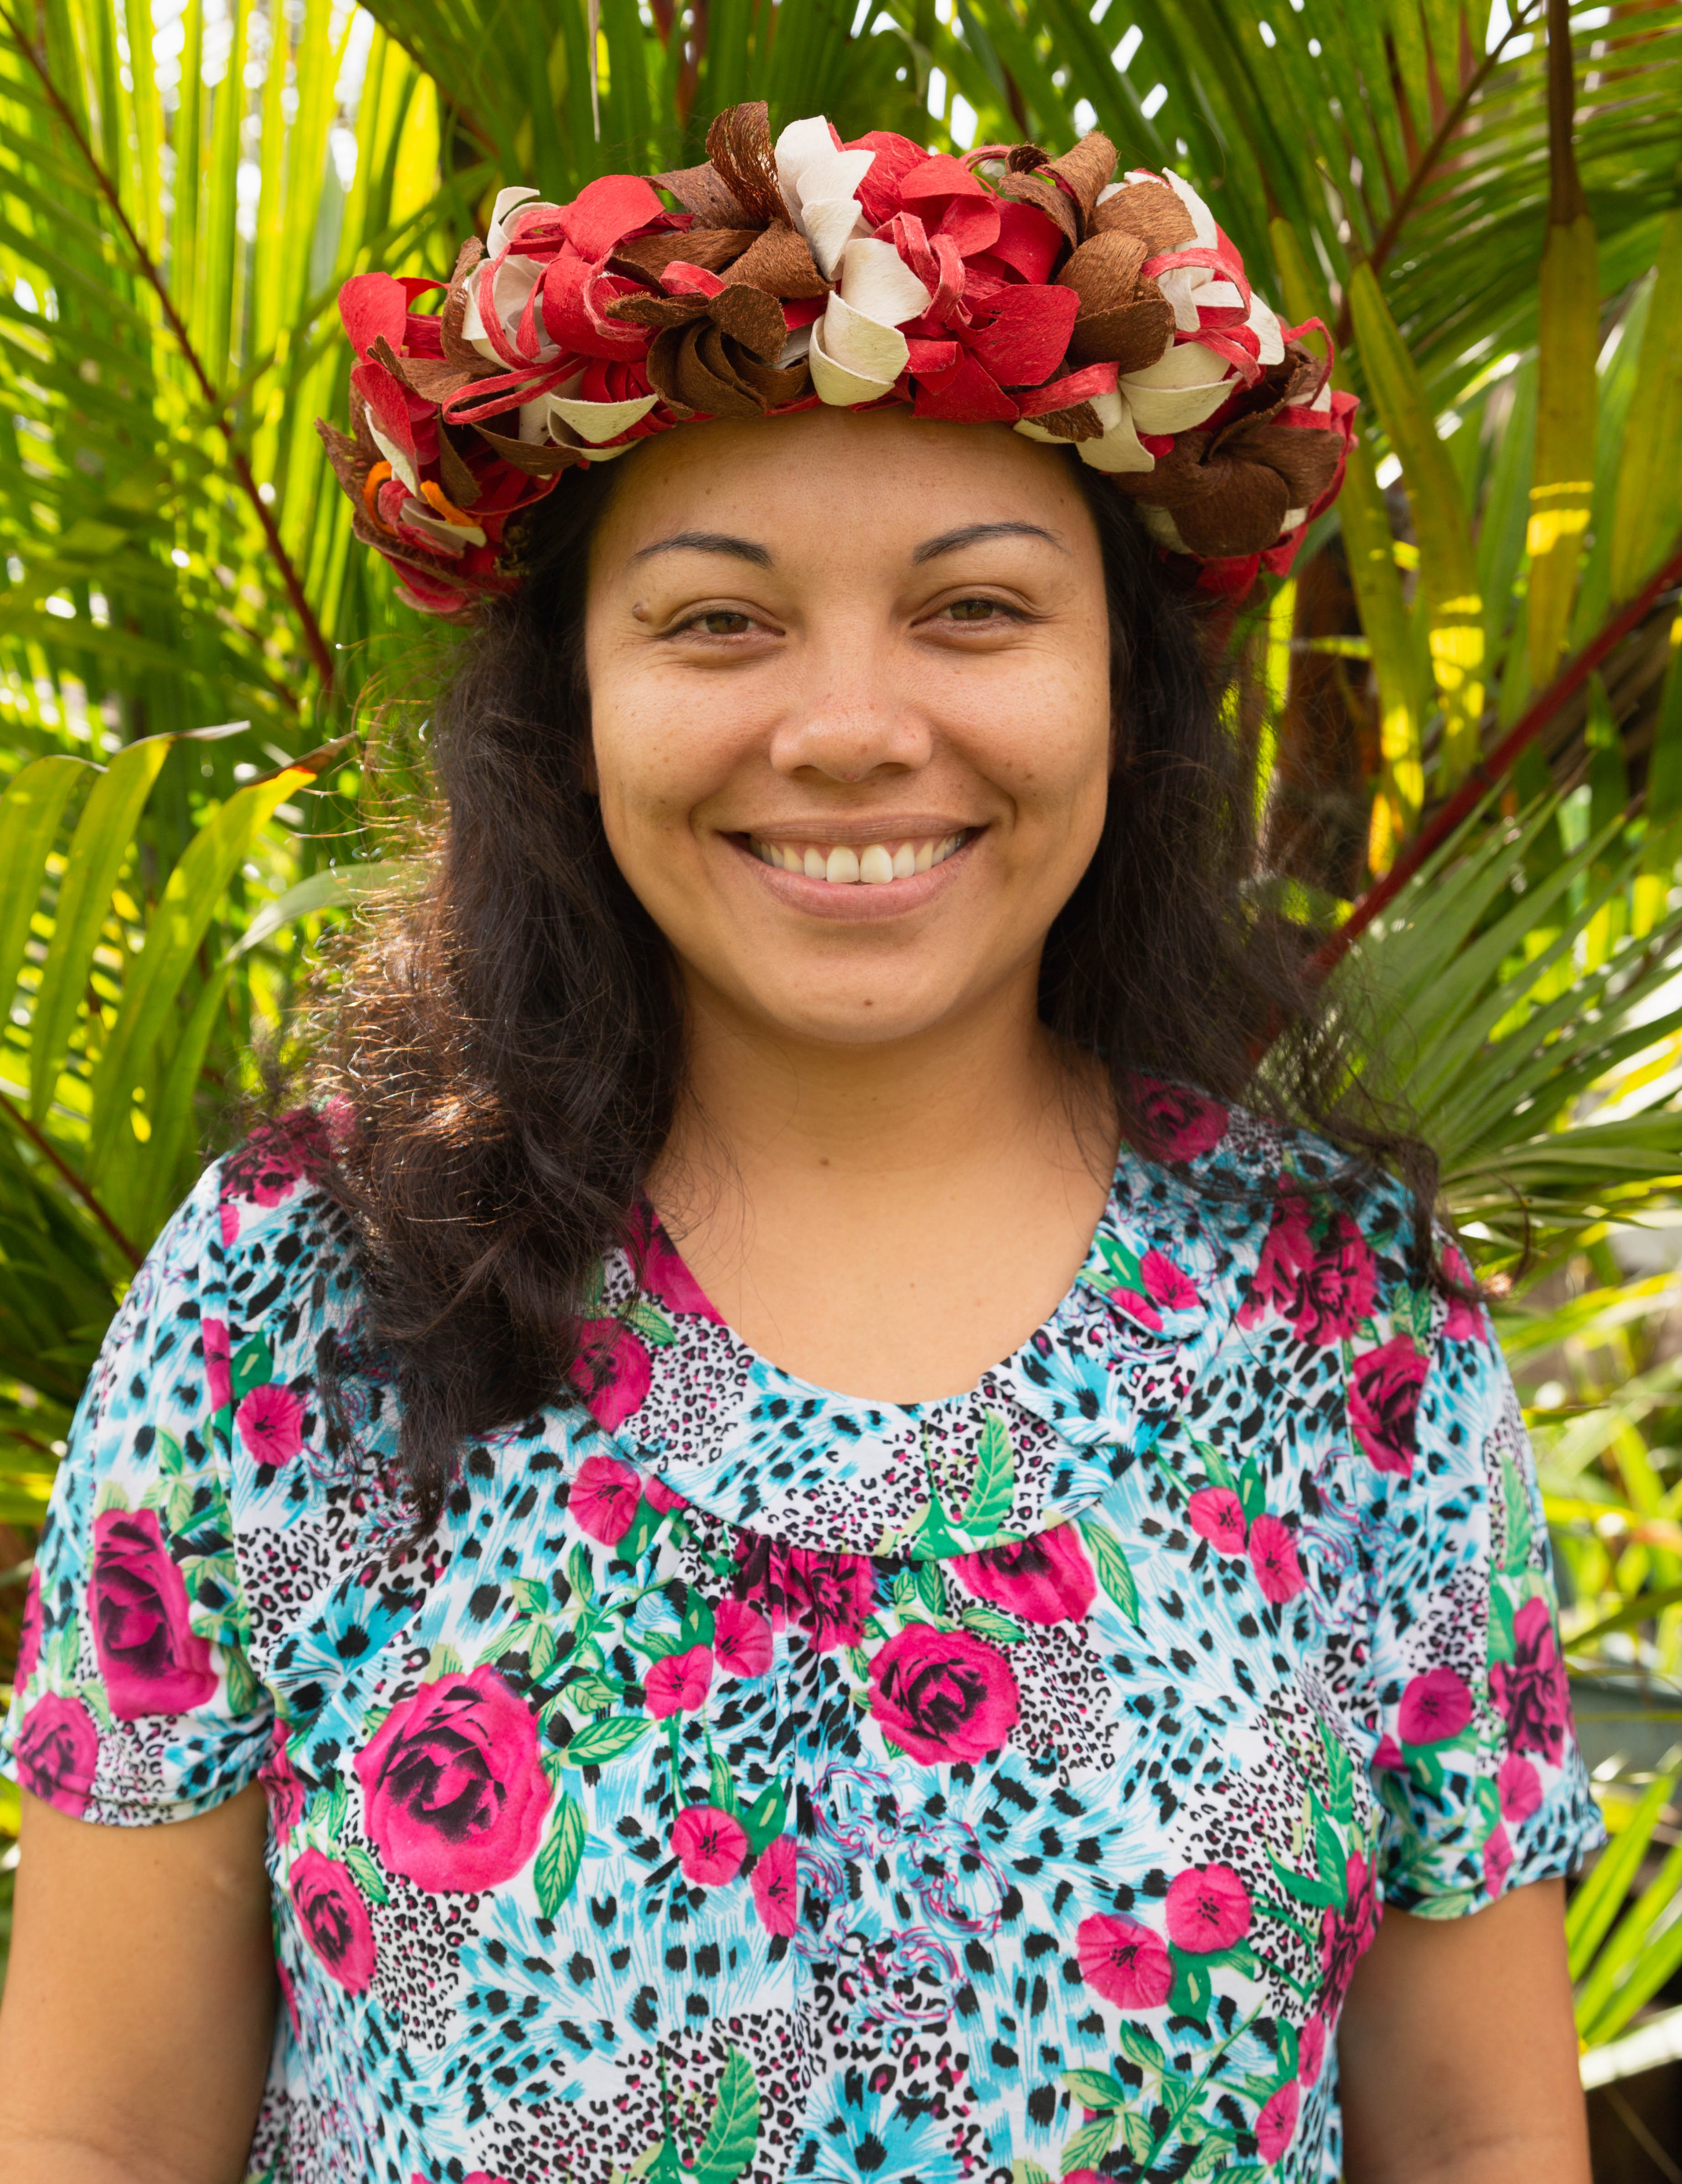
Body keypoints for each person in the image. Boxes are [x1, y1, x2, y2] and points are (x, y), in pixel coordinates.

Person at [0, 106, 1598, 2184]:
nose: (847, 723)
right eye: (718, 620)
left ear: (1124, 684)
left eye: (971, 611)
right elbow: (103, 2132)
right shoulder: (292, 1298)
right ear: (566, 705)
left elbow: (1479, 2139)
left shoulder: (1342, 1329)